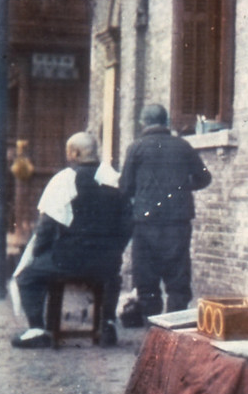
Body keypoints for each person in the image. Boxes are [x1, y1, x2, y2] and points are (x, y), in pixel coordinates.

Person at [12, 132, 132, 348]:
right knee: (111, 275)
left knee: (27, 276)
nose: (68, 156)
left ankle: (37, 329)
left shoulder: (64, 180)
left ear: (75, 153)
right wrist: (115, 250)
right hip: (107, 261)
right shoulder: (116, 179)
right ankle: (107, 324)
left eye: (69, 151)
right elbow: (128, 225)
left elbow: (46, 228)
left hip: (69, 261)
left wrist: (39, 254)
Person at [119, 104, 212, 319]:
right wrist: (183, 186)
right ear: (167, 122)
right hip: (178, 222)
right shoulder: (183, 146)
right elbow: (204, 177)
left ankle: (152, 330)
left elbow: (125, 187)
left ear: (144, 123)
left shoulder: (136, 148)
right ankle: (175, 327)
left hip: (146, 221)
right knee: (178, 277)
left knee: (146, 278)